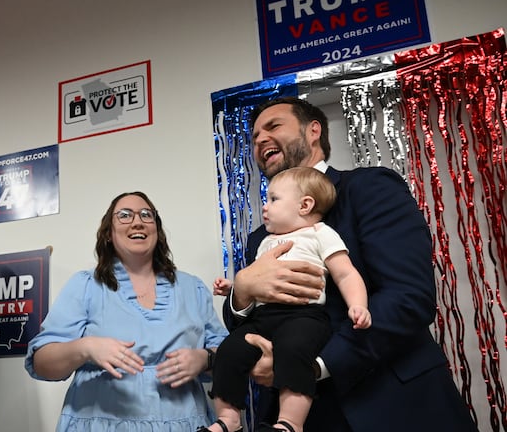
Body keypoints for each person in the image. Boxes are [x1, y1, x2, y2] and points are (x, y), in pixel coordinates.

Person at [223, 97, 477, 432]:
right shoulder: (262, 236)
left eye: (273, 127)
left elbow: (408, 297)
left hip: (396, 405)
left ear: (313, 131)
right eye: (254, 137)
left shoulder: (369, 187)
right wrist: (240, 292)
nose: (259, 141)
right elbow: (253, 320)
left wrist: (313, 366)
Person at [25, 191, 228, 431]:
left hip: (185, 422)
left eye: (146, 215)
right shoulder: (85, 285)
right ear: (108, 234)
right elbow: (41, 363)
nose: (137, 221)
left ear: (157, 230)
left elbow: (231, 356)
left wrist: (206, 359)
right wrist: (85, 347)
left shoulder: (192, 287)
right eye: (124, 215)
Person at [206, 167, 370, 432]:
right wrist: (235, 286)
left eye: (273, 199)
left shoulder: (320, 233)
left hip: (303, 317)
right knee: (228, 351)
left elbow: (346, 274)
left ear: (305, 205)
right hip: (262, 318)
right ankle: (228, 419)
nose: (265, 207)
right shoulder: (265, 242)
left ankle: (290, 423)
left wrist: (358, 304)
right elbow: (258, 281)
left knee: (294, 351)